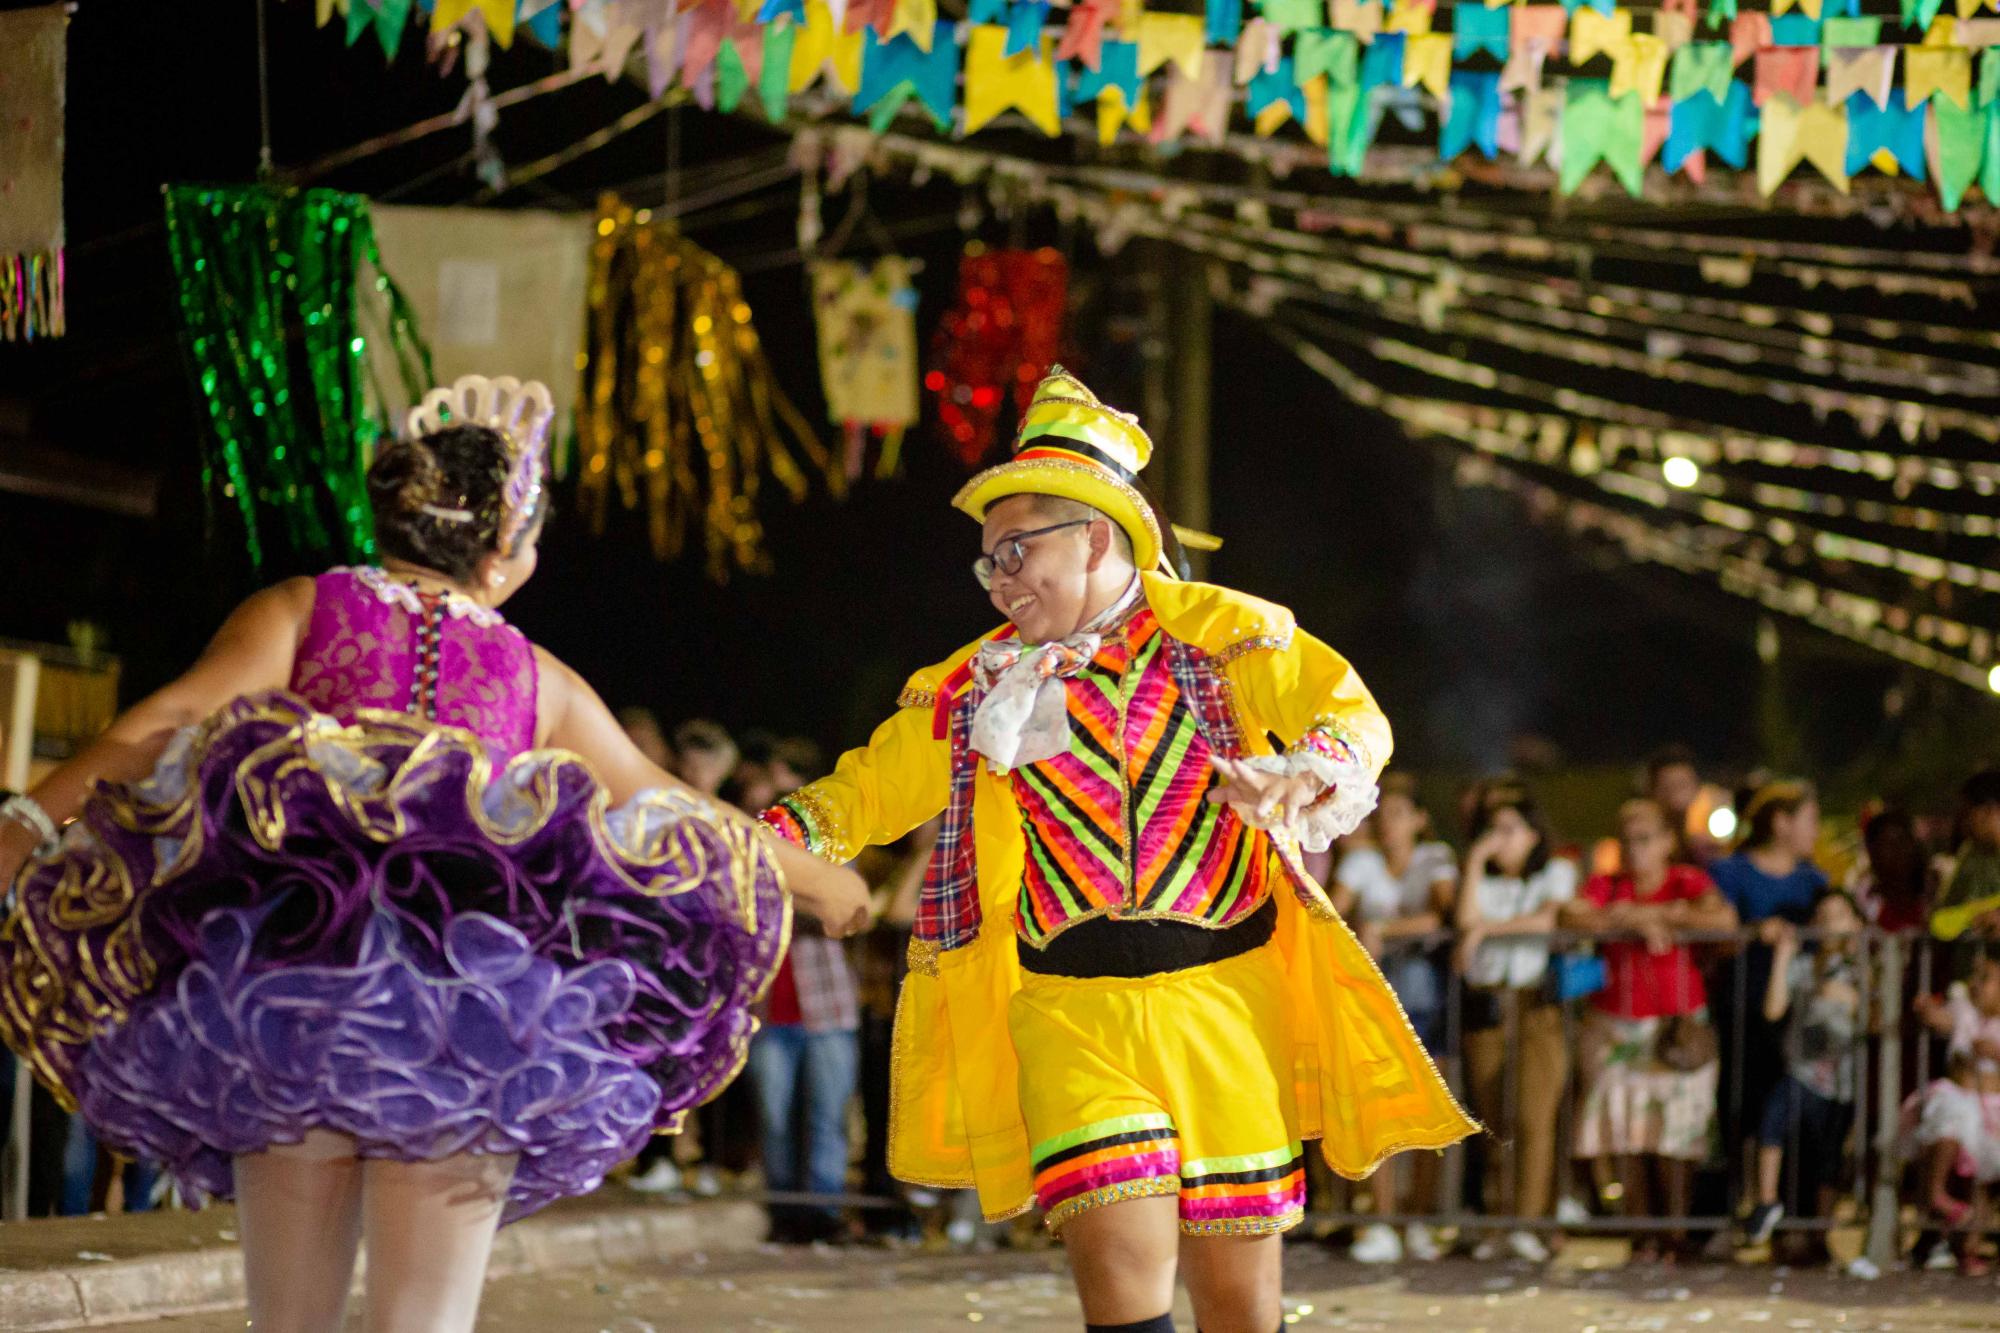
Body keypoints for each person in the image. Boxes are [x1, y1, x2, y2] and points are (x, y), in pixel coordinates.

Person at [0, 376, 868, 1333]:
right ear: (503, 544)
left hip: (286, 999)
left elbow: (161, 721)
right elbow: (676, 805)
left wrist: (24, 827)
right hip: (473, 1025)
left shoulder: (303, 608)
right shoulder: (535, 676)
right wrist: (823, 878)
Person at [757, 368, 1473, 1333]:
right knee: (1124, 1297)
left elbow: (1350, 715)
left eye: (1016, 551)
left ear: (1096, 534)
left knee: (1237, 1310)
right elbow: (864, 790)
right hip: (1070, 1012)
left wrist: (1302, 773)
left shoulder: (1226, 637)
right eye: (988, 562)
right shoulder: (978, 686)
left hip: (1225, 1004)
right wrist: (763, 846)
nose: (1000, 579)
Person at [1562, 798, 1736, 1264]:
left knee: (1676, 1136)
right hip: (1616, 1027)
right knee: (1626, 1134)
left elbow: (1723, 920)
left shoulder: (1687, 881)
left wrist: (1664, 916)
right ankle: (1642, 1237)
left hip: (1677, 1027)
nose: (1634, 850)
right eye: (1627, 840)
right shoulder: (1607, 884)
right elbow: (1571, 915)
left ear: (1666, 842)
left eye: (1644, 839)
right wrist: (1634, 915)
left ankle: (1675, 1233)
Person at [741, 744, 866, 1245]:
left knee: (827, 1117)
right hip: (768, 1007)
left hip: (827, 1006)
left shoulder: (834, 841)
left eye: (781, 780)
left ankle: (823, 1211)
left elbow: (847, 910)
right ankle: (785, 1211)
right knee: (773, 1119)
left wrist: (790, 895)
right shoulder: (754, 840)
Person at [1331, 774, 1456, 1265]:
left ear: (1420, 820)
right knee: (1380, 1112)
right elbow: (1333, 912)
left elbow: (1443, 917)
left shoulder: (1436, 858)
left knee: (1425, 1114)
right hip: (1374, 998)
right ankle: (1382, 1220)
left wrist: (1382, 927)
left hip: (1425, 998)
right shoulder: (1362, 860)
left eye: (1400, 814)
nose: (1389, 824)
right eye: (1382, 815)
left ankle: (1418, 1218)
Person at [1454, 782, 1576, 1263]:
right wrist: (1473, 861)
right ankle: (1498, 1219)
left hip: (1535, 1005)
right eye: (1491, 830)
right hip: (1487, 1005)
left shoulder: (1557, 872)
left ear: (1532, 834)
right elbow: (1465, 920)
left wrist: (1486, 930)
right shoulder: (1480, 879)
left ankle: (1529, 1222)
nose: (1498, 839)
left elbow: (1548, 921)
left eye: (1509, 829)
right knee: (1493, 1120)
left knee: (1533, 1116)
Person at [1705, 781, 1828, 1207]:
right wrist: (1752, 933)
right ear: (1781, 822)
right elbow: (1711, 936)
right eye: (1810, 820)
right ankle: (1729, 1207)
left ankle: (1788, 1211)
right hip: (1740, 1007)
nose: (1817, 830)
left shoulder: (1814, 880)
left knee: (1791, 1109)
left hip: (1798, 1015)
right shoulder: (1730, 872)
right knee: (1737, 1108)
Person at [1743, 889, 1865, 1266]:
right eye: (1823, 916)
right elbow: (1773, 1009)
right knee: (1771, 1123)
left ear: (1857, 924)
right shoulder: (1804, 965)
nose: (1830, 924)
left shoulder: (1864, 966)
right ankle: (1765, 1202)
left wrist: (1853, 998)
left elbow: (1877, 1015)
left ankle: (1820, 1236)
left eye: (1839, 915)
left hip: (1842, 1082)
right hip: (1803, 1073)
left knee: (1829, 1160)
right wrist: (1782, 958)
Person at [1899, 955, 2000, 1271]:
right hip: (1960, 1096)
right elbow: (1941, 1019)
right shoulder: (1964, 1011)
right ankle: (1937, 1194)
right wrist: (1927, 1009)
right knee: (1950, 1124)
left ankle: (1970, 1244)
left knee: (1985, 1174)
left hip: (1994, 1106)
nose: (1976, 984)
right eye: (1974, 977)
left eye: (1985, 978)